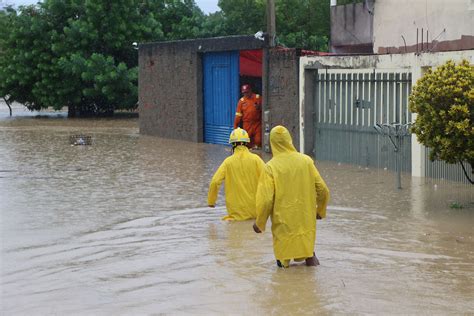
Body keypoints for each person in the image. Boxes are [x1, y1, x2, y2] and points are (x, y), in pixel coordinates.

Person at [252, 125, 330, 268]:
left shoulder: (270, 167)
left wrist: (260, 223)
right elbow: (323, 190)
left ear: (272, 143)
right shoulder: (306, 161)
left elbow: (266, 200)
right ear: (289, 140)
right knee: (310, 260)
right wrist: (320, 211)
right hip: (306, 223)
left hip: (284, 227)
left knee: (283, 274)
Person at [208, 128, 265, 221]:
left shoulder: (228, 162)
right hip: (256, 212)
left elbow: (215, 182)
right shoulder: (256, 160)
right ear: (247, 143)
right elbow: (269, 178)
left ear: (232, 144)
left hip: (236, 215)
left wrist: (211, 201)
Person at [234, 84, 262, 149]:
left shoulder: (257, 98)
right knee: (246, 141)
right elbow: (238, 115)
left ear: (250, 90)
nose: (246, 94)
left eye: (247, 92)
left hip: (257, 123)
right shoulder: (241, 101)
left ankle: (257, 152)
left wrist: (259, 107)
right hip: (247, 124)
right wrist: (235, 126)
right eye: (244, 93)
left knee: (259, 140)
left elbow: (264, 109)